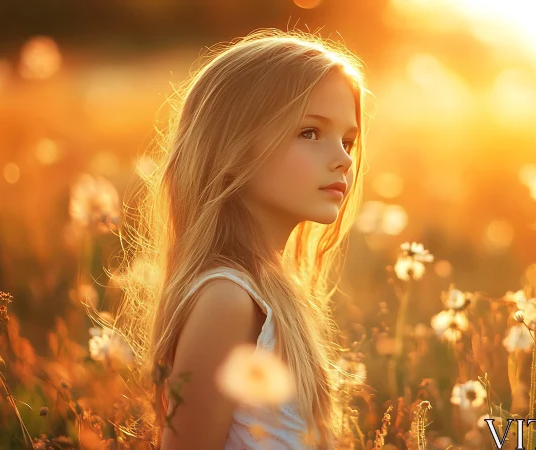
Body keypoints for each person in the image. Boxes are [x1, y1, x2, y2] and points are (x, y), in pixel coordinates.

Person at [113, 29, 369, 449]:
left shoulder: (275, 294)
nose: (342, 158)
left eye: (348, 141)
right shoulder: (228, 301)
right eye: (310, 133)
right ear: (230, 150)